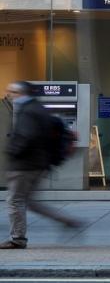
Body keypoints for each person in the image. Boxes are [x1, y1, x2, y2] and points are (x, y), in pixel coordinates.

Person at [1, 81, 83, 249]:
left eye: (13, 92)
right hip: (39, 164)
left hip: (25, 165)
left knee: (14, 201)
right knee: (30, 202)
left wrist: (12, 152)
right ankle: (66, 221)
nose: (11, 96)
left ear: (22, 94)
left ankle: (17, 239)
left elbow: (26, 136)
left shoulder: (28, 111)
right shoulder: (40, 108)